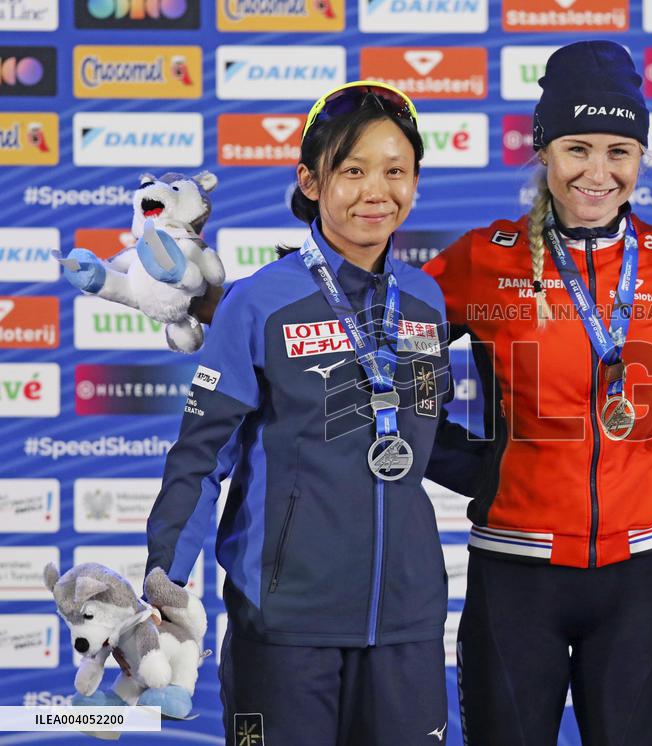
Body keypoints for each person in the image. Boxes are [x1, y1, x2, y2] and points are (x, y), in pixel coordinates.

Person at [145, 81, 470, 745]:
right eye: (352, 170)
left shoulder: (426, 302)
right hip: (286, 625)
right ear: (312, 181)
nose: (375, 190)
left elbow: (424, 439)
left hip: (406, 623)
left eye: (395, 171)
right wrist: (167, 580)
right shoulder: (259, 303)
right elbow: (202, 454)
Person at [423, 41, 652, 745]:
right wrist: (470, 467)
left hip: (638, 572)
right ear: (543, 152)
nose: (598, 172)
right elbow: (382, 351)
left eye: (620, 151)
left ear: (641, 158)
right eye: (577, 148)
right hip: (515, 571)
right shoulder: (484, 257)